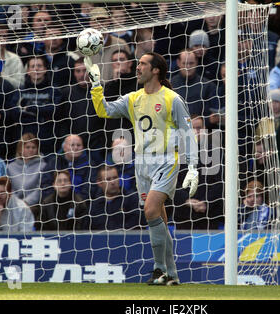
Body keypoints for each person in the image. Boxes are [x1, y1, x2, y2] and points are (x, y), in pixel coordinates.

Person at [85, 51, 199, 285]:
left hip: (166, 161)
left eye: (142, 64)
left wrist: (193, 167)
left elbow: (188, 133)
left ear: (155, 70)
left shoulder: (172, 99)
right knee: (158, 218)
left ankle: (158, 269)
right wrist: (96, 85)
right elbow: (103, 110)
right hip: (142, 164)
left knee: (149, 211)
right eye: (137, 63)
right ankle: (172, 275)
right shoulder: (133, 99)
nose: (137, 67)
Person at [170, 115, 224, 230]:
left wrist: (206, 202)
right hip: (183, 214)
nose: (195, 131)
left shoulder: (217, 151)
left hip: (209, 215)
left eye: (199, 128)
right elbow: (172, 183)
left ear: (205, 129)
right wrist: (186, 200)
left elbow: (220, 182)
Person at [18, 55, 62, 156]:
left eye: (39, 66)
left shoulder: (54, 90)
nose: (36, 69)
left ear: (45, 69)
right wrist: (42, 111)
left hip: (48, 141)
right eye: (33, 66)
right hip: (26, 140)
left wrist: (30, 108)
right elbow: (15, 112)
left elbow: (54, 110)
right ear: (28, 70)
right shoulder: (21, 90)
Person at [45, 134, 101, 200]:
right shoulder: (54, 162)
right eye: (72, 145)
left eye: (78, 145)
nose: (75, 148)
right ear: (64, 147)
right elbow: (45, 184)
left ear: (83, 148)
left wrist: (76, 203)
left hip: (80, 205)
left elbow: (90, 189)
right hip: (55, 203)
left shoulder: (90, 165)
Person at [171, 49, 218, 127]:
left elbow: (214, 115)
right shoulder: (169, 85)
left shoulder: (208, 86)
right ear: (178, 63)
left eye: (191, 63)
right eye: (185, 63)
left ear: (196, 63)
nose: (188, 67)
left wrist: (202, 122)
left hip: (203, 133)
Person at [6, 133, 50, 214]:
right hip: (13, 204)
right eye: (27, 147)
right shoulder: (10, 167)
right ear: (20, 149)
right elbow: (9, 188)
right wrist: (17, 203)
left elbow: (39, 189)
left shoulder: (43, 166)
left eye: (33, 147)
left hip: (33, 205)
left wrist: (26, 202)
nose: (31, 150)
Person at [90, 165, 144, 230]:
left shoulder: (132, 199)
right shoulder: (94, 205)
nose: (113, 182)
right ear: (99, 183)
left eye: (115, 178)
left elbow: (137, 223)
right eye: (108, 179)